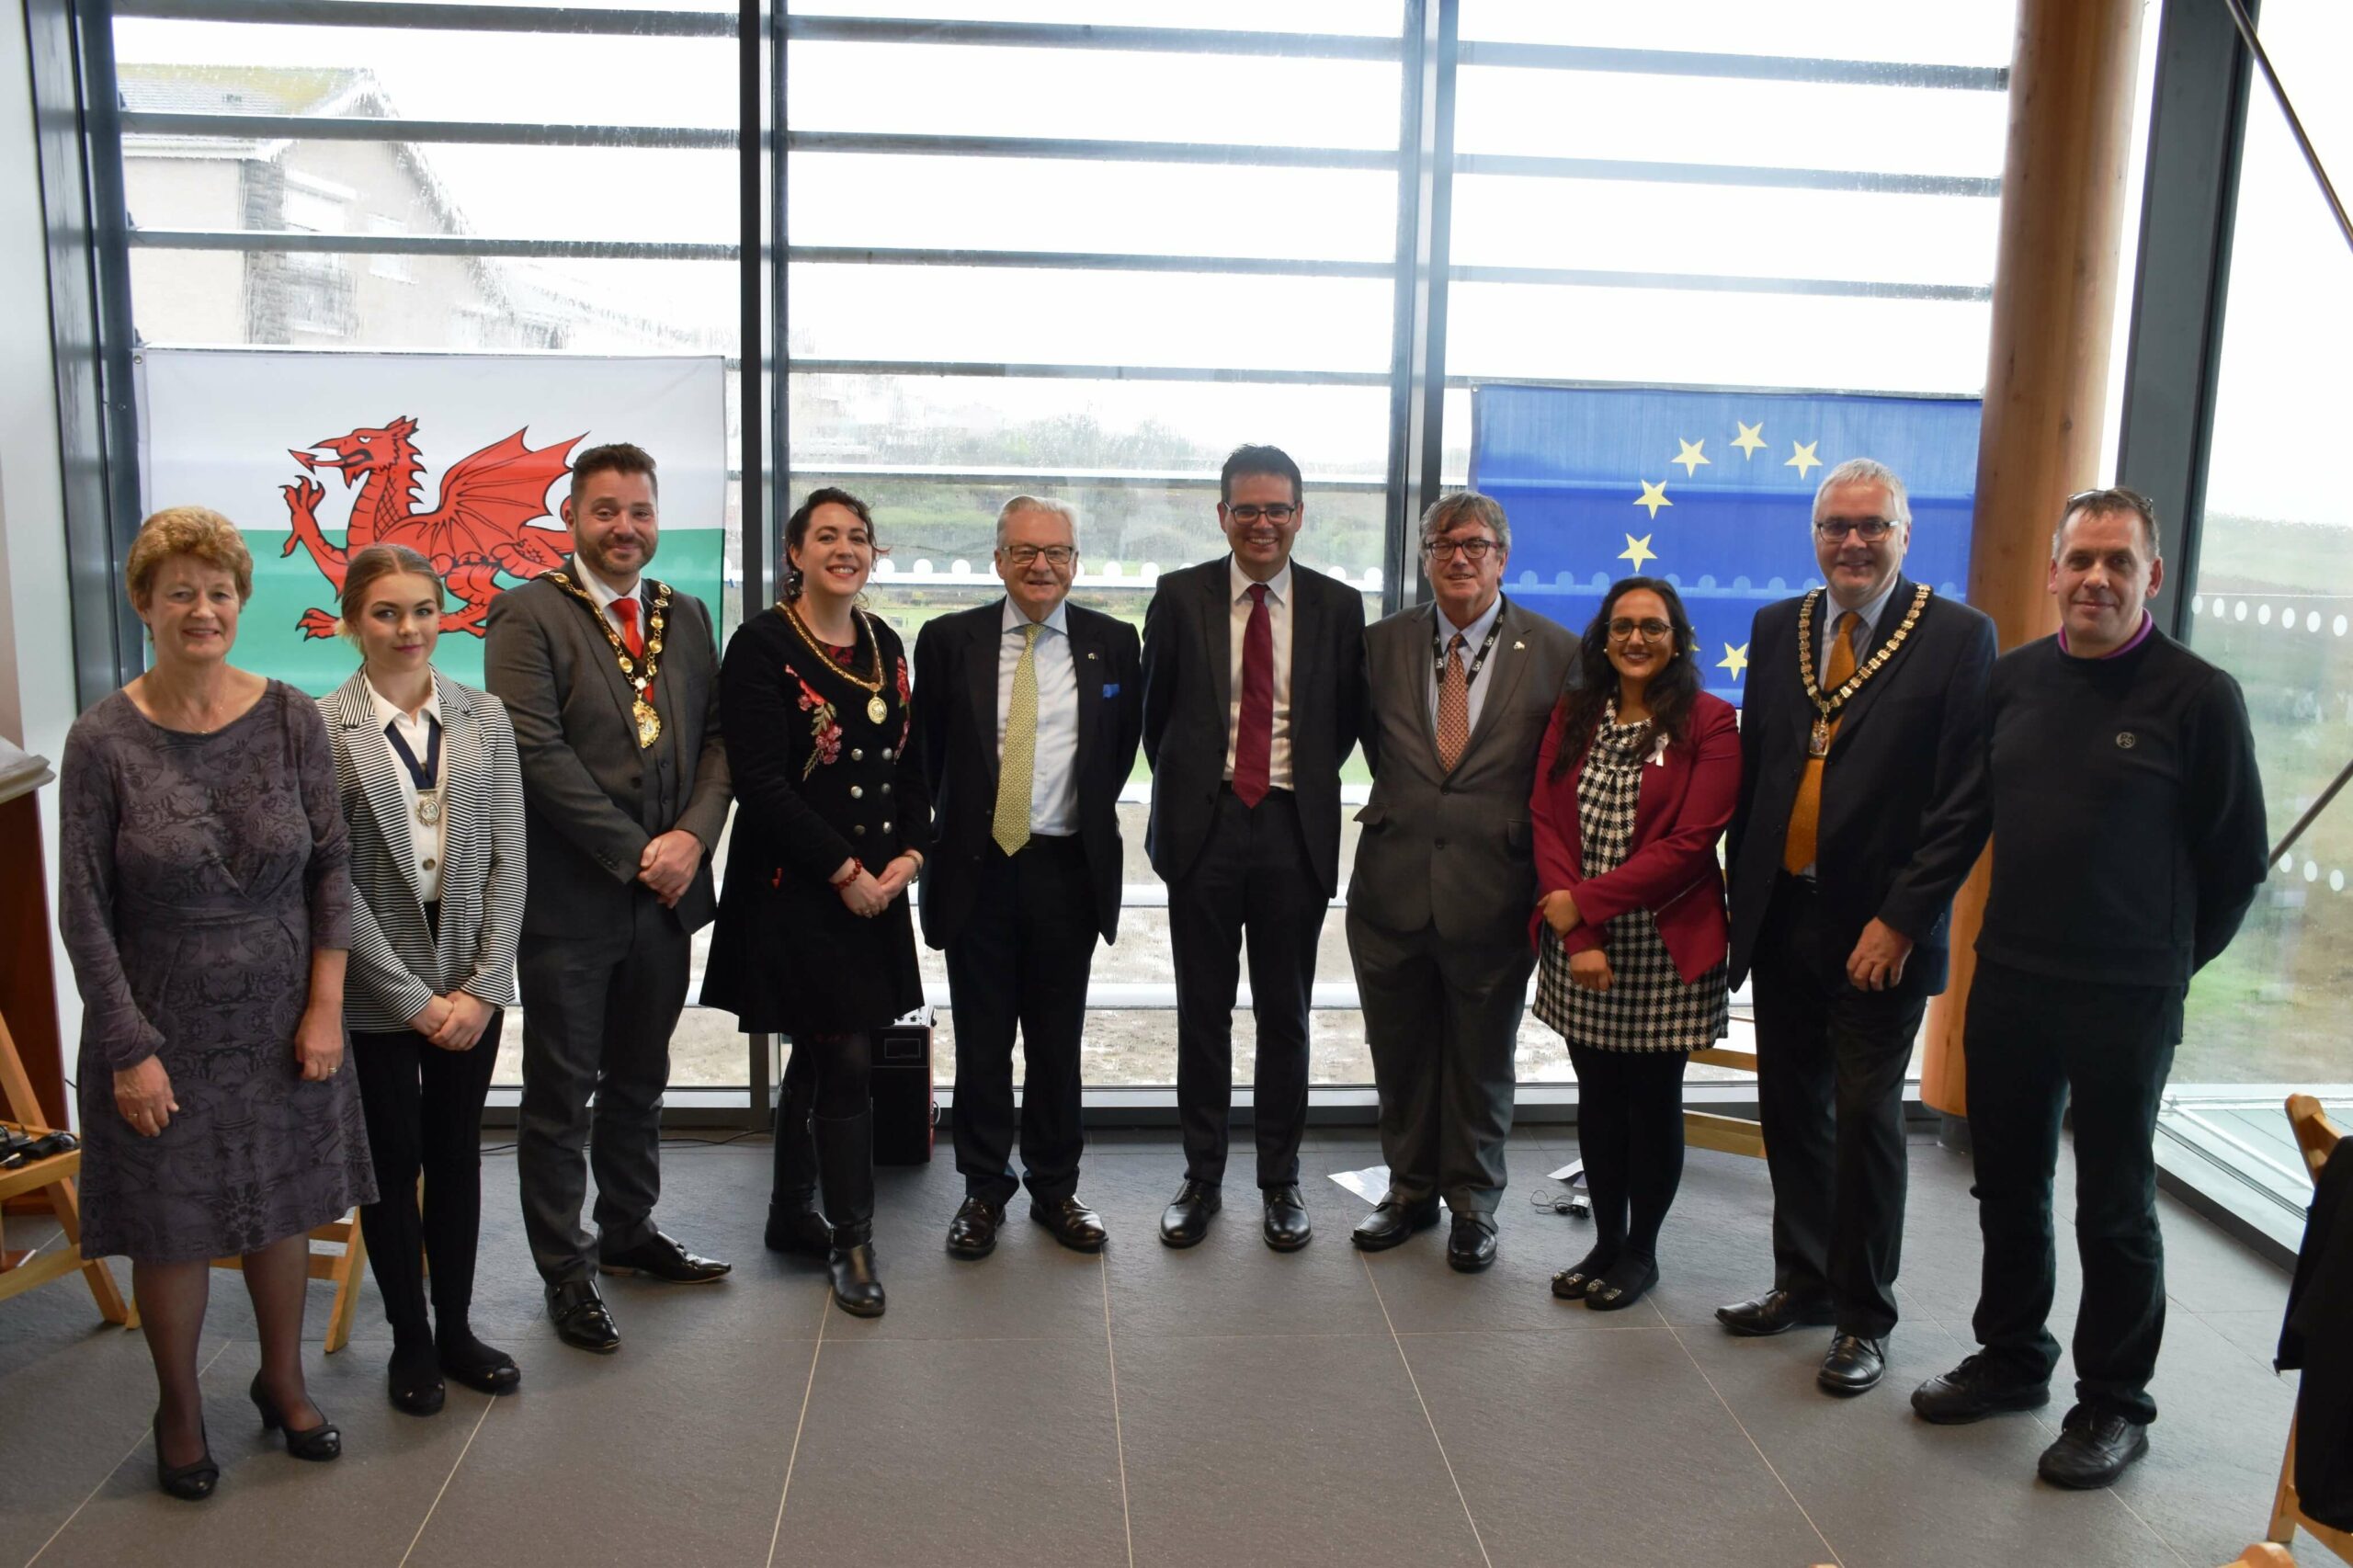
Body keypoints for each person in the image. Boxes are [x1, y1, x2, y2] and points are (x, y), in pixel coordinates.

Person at [1908, 487, 2266, 1486]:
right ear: (2053, 573)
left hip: (2126, 996)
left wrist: (2163, 964)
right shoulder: (2013, 682)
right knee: (2007, 1184)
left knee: (2112, 1206)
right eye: (2081, 559)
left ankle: (2114, 1403)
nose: (2097, 578)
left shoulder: (2198, 697)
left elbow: (2235, 862)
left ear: (2151, 575)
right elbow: (1963, 816)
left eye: (2119, 561)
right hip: (2012, 977)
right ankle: (2014, 1357)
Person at [59, 506, 375, 1499]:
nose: (203, 608)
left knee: (282, 1207)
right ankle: (179, 1406)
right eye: (181, 590)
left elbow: (333, 868)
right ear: (145, 603)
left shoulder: (290, 716)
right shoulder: (101, 738)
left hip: (287, 1017)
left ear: (243, 600)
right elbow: (82, 906)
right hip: (160, 1024)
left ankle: (281, 1382)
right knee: (173, 1224)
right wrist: (126, 1046)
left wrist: (327, 1005)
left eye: (221, 590)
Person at [1718, 457, 1996, 1397]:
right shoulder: (1778, 627)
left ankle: (1862, 1315)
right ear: (1815, 534)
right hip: (1783, 914)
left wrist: (1901, 918)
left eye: (1871, 526)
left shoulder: (1958, 638)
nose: (1851, 541)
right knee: (1791, 1107)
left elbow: (1962, 804)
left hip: (1881, 931)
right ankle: (1799, 1279)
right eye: (1836, 525)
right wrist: (1737, 904)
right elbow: (1759, 773)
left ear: (1904, 535)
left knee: (1867, 1118)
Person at [483, 442, 733, 1355]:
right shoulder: (528, 613)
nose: (624, 527)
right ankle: (567, 1269)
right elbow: (535, 751)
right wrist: (640, 853)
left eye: (639, 510)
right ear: (572, 519)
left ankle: (628, 1230)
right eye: (606, 510)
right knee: (561, 1097)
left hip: (665, 899)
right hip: (572, 905)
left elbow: (719, 740)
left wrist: (693, 838)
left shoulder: (687, 613)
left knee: (641, 1079)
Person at [703, 486, 928, 1318]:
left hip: (878, 886)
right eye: (827, 536)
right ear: (794, 553)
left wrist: (909, 852)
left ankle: (789, 1213)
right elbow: (759, 781)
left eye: (860, 537)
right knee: (846, 1059)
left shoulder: (887, 641)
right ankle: (851, 1239)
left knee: (831, 1046)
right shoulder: (760, 645)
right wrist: (844, 871)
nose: (846, 549)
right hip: (800, 890)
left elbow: (912, 765)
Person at [1142, 444, 1366, 1251]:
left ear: (1300, 515)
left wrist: (1284, 780)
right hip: (1204, 831)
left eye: (1278, 509)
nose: (1263, 522)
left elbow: (1338, 728)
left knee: (1286, 1014)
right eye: (1248, 509)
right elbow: (1155, 715)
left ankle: (1281, 1180)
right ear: (1223, 515)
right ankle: (1202, 1178)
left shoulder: (1340, 608)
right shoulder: (1179, 596)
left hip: (1290, 828)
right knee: (1202, 1012)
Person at [1346, 493, 1574, 1271]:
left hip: (1496, 891)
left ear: (1502, 557)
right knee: (1401, 1053)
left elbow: (1561, 780)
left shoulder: (1556, 651)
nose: (1459, 556)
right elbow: (1378, 754)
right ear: (1424, 556)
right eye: (1442, 543)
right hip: (1392, 885)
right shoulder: (1377, 645)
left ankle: (1475, 1205)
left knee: (1482, 1058)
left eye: (1475, 543)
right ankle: (1407, 1193)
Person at [323, 544, 526, 1415]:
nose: (408, 629)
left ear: (445, 616)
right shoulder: (322, 727)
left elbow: (510, 856)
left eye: (423, 611)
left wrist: (482, 986)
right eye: (386, 613)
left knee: (454, 1159)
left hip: (472, 986)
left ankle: (456, 1327)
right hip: (378, 991)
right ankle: (407, 1339)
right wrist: (411, 998)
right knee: (392, 1161)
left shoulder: (485, 716)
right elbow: (330, 881)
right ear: (351, 623)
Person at [915, 496, 1142, 1258]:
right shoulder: (950, 641)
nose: (1041, 566)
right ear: (998, 559)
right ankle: (983, 1192)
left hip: (1065, 870)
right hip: (978, 868)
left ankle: (1056, 1188)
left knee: (1056, 1039)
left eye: (1057, 553)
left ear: (1076, 561)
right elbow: (929, 756)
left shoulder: (1114, 643)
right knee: (982, 1042)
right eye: (1024, 552)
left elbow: (1118, 751)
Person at [1529, 578, 1740, 1311]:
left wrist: (1580, 904)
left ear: (1676, 639)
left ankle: (1641, 1251)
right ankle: (1605, 1240)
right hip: (1579, 947)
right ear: (1604, 638)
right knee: (1597, 1098)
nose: (1636, 639)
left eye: (1652, 626)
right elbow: (1545, 823)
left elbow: (1690, 845)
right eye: (1622, 626)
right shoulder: (1575, 715)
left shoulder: (1711, 722)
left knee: (1651, 1102)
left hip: (1662, 948)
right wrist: (1578, 931)